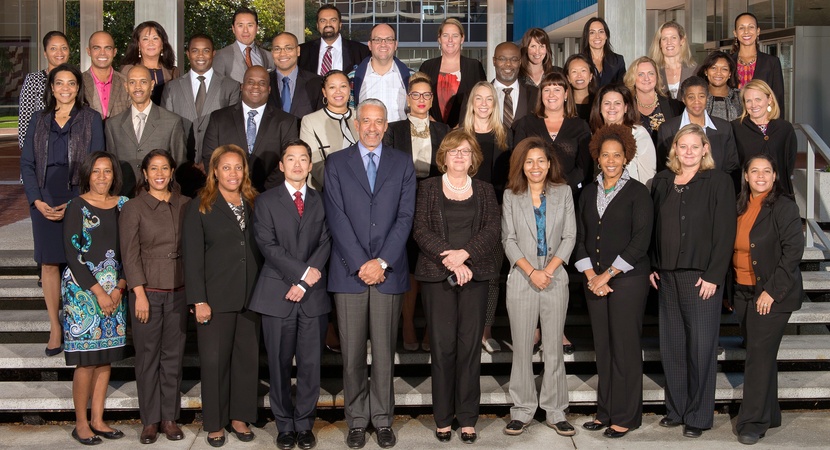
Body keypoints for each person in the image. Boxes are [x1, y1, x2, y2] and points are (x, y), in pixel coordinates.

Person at [323, 99, 416, 449]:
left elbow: (405, 217)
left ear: (386, 125)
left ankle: (382, 419)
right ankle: (357, 420)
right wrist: (363, 262)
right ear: (357, 124)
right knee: (351, 356)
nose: (373, 128)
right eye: (367, 121)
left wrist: (382, 262)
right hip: (349, 273)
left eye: (379, 122)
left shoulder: (402, 163)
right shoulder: (336, 163)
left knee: (383, 353)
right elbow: (336, 217)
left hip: (388, 273)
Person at [412, 129, 501, 444]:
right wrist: (451, 260)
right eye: (454, 151)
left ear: (474, 157)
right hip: (438, 278)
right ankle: (442, 417)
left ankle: (467, 418)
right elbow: (420, 229)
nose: (460, 156)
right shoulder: (428, 188)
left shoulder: (486, 190)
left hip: (475, 277)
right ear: (444, 157)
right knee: (442, 348)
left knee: (468, 349)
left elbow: (493, 229)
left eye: (465, 151)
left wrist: (466, 256)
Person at [649, 124, 736, 439]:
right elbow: (652, 226)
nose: (687, 152)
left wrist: (715, 275)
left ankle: (699, 415)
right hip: (666, 276)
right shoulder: (662, 182)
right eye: (682, 146)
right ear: (674, 150)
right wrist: (652, 263)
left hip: (702, 278)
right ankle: (676, 410)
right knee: (672, 346)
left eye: (694, 147)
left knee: (700, 347)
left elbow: (725, 232)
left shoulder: (718, 182)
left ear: (705, 149)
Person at [249, 140, 331, 450]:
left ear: (311, 166)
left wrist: (306, 282)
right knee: (279, 365)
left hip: (312, 296)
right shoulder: (266, 201)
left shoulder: (321, 201)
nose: (298, 164)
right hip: (277, 293)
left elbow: (326, 242)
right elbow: (268, 246)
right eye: (291, 159)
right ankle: (284, 425)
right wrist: (299, 275)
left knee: (310, 365)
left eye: (304, 159)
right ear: (281, 165)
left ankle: (305, 424)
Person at [21, 63, 104, 357]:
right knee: (49, 263)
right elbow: (27, 164)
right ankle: (55, 326)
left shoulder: (91, 119)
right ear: (52, 88)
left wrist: (76, 201)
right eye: (60, 83)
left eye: (71, 83)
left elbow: (96, 164)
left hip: (78, 198)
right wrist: (37, 200)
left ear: (78, 88)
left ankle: (78, 321)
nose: (65, 88)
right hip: (44, 198)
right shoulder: (38, 120)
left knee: (77, 259)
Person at [575, 124, 653, 438]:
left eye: (617, 155)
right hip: (594, 280)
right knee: (603, 347)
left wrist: (608, 274)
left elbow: (640, 241)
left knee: (625, 347)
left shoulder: (638, 192)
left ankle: (627, 415)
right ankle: (605, 411)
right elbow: (579, 237)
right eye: (605, 155)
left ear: (626, 157)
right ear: (597, 157)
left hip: (628, 280)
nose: (610, 160)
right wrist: (592, 276)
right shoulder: (588, 191)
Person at [183, 144, 262, 447]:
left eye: (238, 167)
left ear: (245, 171)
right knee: (215, 363)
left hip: (250, 297)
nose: (233, 173)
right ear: (214, 171)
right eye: (226, 167)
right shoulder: (200, 205)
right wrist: (198, 299)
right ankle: (215, 422)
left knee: (246, 361)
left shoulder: (255, 202)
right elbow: (192, 257)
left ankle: (240, 416)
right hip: (214, 299)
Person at [501, 137, 576, 438]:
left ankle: (556, 411)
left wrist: (548, 270)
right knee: (521, 348)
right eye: (529, 161)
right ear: (522, 165)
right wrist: (532, 271)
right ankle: (521, 411)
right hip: (522, 278)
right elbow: (508, 239)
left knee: (554, 349)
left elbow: (569, 236)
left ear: (549, 164)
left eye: (541, 161)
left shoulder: (563, 192)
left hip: (555, 277)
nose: (535, 167)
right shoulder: (511, 195)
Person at [732, 154, 803, 445]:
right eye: (754, 171)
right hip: (742, 292)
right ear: (746, 176)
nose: (760, 176)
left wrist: (771, 292)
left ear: (775, 176)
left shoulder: (784, 207)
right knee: (762, 356)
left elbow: (792, 254)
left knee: (757, 358)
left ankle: (753, 422)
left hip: (772, 295)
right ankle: (770, 413)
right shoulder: (739, 205)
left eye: (766, 171)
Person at [119, 149, 188, 444]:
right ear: (144, 174)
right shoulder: (133, 208)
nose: (159, 174)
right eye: (153, 169)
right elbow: (129, 254)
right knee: (147, 358)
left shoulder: (186, 205)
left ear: (172, 172)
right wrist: (139, 293)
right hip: (146, 292)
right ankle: (150, 420)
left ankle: (170, 417)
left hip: (179, 291)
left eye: (165, 168)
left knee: (173, 357)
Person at [61, 151, 128, 445]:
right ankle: (81, 423)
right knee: (86, 361)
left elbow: (131, 251)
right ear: (88, 174)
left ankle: (98, 419)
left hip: (116, 292)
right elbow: (73, 255)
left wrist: (119, 288)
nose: (102, 177)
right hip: (83, 293)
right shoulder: (77, 206)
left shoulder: (125, 205)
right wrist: (99, 292)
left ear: (115, 175)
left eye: (108, 171)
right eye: (97, 171)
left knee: (105, 360)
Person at [383, 72, 450, 352]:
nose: (421, 100)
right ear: (407, 99)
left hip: (436, 199)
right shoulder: (394, 129)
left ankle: (430, 329)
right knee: (409, 264)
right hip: (404, 200)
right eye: (415, 95)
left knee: (434, 262)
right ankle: (408, 324)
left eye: (426, 95)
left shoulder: (443, 130)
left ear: (432, 99)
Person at [459, 82, 511, 353]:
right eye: (478, 98)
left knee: (491, 273)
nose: (483, 103)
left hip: (497, 214)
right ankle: (464, 329)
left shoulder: (506, 136)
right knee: (463, 270)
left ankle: (486, 331)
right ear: (471, 103)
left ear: (494, 104)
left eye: (488, 99)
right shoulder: (459, 136)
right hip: (462, 214)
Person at [161, 33, 241, 197]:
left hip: (216, 171)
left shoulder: (231, 87)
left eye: (206, 50)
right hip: (180, 170)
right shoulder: (172, 88)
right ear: (188, 53)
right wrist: (182, 163)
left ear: (213, 53)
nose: (200, 56)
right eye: (195, 51)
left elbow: (232, 130)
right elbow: (165, 129)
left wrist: (210, 162)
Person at [202, 66, 299, 193]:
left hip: (269, 195)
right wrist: (232, 187)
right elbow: (210, 157)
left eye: (262, 83)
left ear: (269, 89)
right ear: (242, 86)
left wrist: (262, 192)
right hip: (227, 194)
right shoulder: (218, 118)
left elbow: (289, 160)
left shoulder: (286, 121)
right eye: (250, 82)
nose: (256, 87)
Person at [105, 65, 187, 196]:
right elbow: (111, 168)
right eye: (132, 82)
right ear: (126, 86)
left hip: (160, 199)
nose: (137, 87)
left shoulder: (172, 122)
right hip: (124, 200)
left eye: (143, 82)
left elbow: (179, 166)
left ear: (152, 84)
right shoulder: (112, 125)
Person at [513, 72, 592, 201]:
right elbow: (518, 161)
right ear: (541, 94)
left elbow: (584, 168)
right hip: (531, 196)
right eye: (547, 90)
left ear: (566, 94)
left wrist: (561, 188)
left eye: (557, 89)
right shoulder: (526, 123)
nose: (551, 95)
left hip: (570, 196)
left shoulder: (580, 126)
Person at [657, 76, 740, 176]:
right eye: (691, 97)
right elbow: (663, 167)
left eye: (701, 96)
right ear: (683, 99)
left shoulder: (724, 128)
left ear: (707, 97)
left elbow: (732, 166)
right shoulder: (668, 129)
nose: (697, 101)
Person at [732, 79, 796, 195]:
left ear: (769, 99)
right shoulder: (735, 128)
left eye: (758, 99)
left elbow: (788, 163)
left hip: (779, 196)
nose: (753, 105)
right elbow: (733, 165)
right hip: (745, 196)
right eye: (748, 101)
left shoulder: (785, 129)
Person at [419, 18, 486, 127]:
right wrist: (433, 124)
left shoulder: (474, 66)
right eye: (445, 35)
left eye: (455, 36)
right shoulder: (427, 67)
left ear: (462, 38)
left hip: (464, 132)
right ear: (439, 39)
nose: (450, 40)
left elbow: (482, 100)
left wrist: (462, 126)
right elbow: (417, 98)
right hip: (431, 131)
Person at [590, 84, 657, 187]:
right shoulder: (593, 135)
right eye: (607, 103)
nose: (612, 107)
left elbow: (648, 178)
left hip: (632, 198)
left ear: (626, 108)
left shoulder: (638, 134)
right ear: (599, 107)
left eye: (617, 103)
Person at [300, 69, 357, 191]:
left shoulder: (362, 117)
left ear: (349, 89)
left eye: (343, 86)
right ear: (324, 92)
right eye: (332, 87)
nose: (338, 92)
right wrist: (341, 187)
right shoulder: (310, 121)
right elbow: (314, 162)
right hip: (326, 191)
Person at [350, 24, 413, 122]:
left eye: (389, 39)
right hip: (366, 136)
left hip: (400, 136)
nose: (383, 44)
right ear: (370, 45)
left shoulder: (411, 77)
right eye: (377, 40)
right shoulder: (352, 78)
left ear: (395, 45)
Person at [18, 31, 69, 150]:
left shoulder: (76, 80)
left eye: (64, 48)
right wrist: (28, 154)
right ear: (45, 53)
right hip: (42, 148)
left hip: (70, 148)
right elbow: (25, 121)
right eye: (53, 48)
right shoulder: (33, 80)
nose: (59, 53)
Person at [730, 12, 785, 116]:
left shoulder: (771, 62)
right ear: (735, 33)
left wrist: (777, 128)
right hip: (733, 123)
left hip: (762, 122)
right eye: (741, 28)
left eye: (751, 27)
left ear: (758, 31)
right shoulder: (728, 62)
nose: (746, 32)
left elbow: (778, 99)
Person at [623, 56, 683, 144]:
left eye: (651, 73)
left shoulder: (672, 105)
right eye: (640, 74)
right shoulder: (626, 105)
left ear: (657, 76)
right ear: (632, 78)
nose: (646, 78)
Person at [298, 4, 370, 76]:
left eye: (333, 20)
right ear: (317, 25)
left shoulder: (361, 51)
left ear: (340, 24)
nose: (328, 24)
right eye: (323, 21)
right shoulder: (302, 52)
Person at [120, 21, 180, 105]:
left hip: (167, 117)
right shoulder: (128, 70)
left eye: (155, 38)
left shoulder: (173, 72)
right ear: (139, 45)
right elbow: (122, 103)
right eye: (145, 39)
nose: (151, 43)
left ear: (162, 44)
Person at [268, 32, 324, 121]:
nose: (282, 54)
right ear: (272, 53)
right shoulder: (263, 83)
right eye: (277, 49)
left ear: (298, 51)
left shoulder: (316, 83)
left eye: (288, 48)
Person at [213, 6, 275, 83]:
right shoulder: (221, 56)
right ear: (233, 29)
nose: (245, 30)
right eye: (240, 25)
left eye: (250, 25)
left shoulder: (269, 57)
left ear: (257, 28)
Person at [83, 31, 130, 120]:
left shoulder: (126, 82)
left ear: (114, 52)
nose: (102, 53)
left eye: (107, 48)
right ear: (89, 51)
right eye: (96, 48)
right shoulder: (78, 82)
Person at [492, 42, 539, 128]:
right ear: (494, 61)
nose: (508, 64)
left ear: (520, 62)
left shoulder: (536, 94)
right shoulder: (475, 95)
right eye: (502, 59)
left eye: (514, 59)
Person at [648, 21, 697, 99]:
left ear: (682, 41)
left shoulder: (695, 71)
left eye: (673, 38)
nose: (669, 42)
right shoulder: (652, 71)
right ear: (660, 43)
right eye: (664, 39)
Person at [696, 50, 743, 122]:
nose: (718, 73)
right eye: (713, 68)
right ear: (706, 71)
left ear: (730, 73)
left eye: (724, 69)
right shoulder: (696, 96)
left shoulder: (740, 97)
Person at [580, 18, 625, 87]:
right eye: (592, 32)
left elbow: (622, 88)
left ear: (606, 35)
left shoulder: (618, 60)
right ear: (587, 37)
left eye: (601, 31)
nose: (597, 36)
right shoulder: (579, 61)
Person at [564, 54, 597, 122]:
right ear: (568, 78)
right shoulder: (562, 102)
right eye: (574, 71)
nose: (579, 76)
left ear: (591, 76)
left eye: (583, 70)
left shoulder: (598, 101)